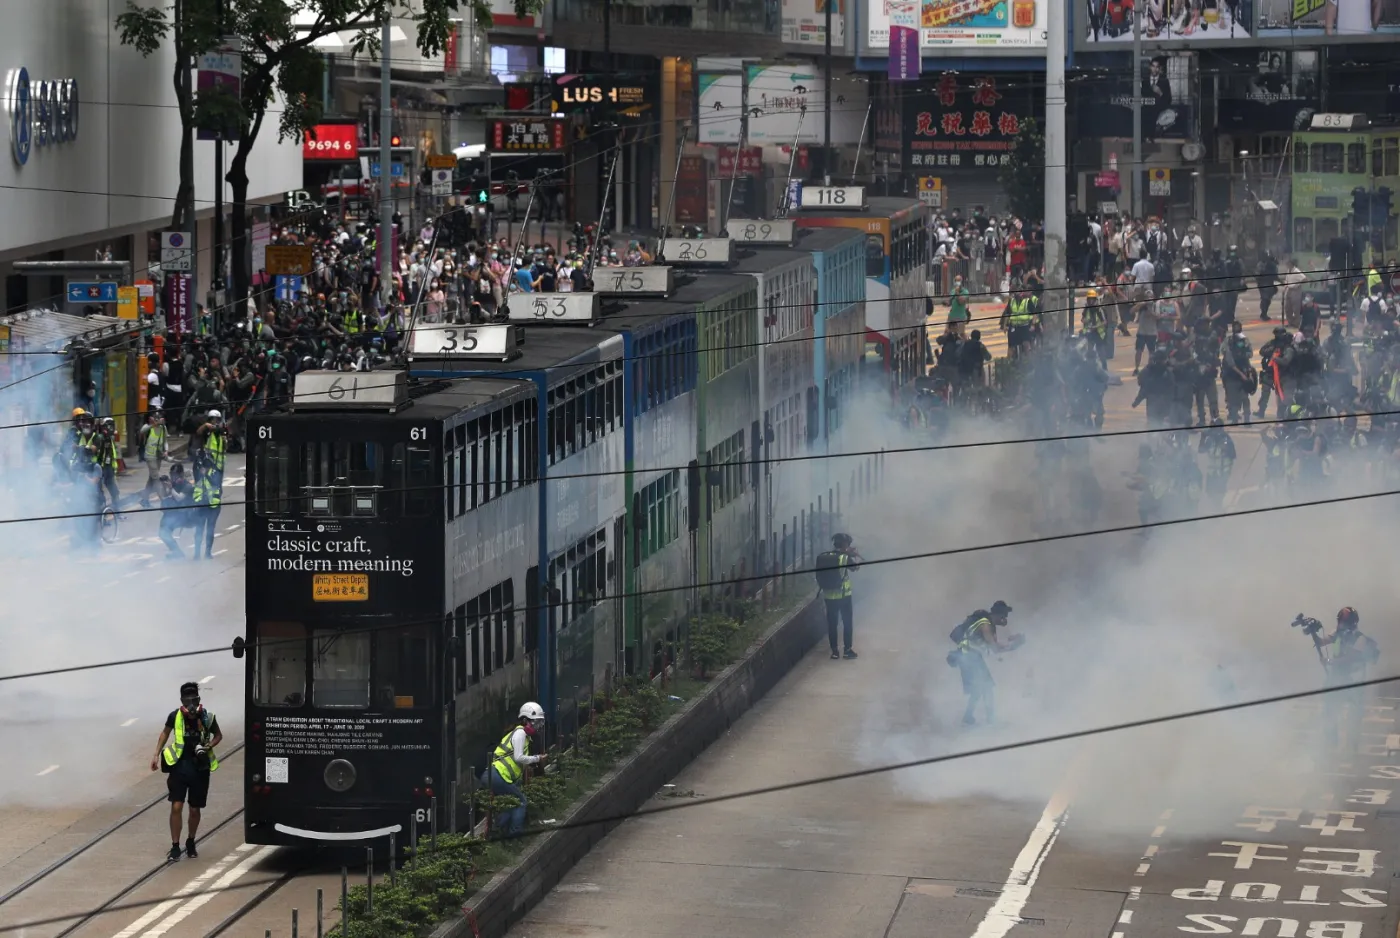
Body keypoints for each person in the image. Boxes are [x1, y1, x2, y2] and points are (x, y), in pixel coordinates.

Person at [151, 681, 222, 861]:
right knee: (176, 806)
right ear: (182, 700)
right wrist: (156, 754)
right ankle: (175, 846)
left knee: (194, 809)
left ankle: (190, 841)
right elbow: (165, 733)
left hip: (200, 768)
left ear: (198, 699)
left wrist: (208, 746)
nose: (191, 704)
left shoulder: (208, 717)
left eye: (194, 699)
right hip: (179, 767)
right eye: (187, 700)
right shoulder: (174, 716)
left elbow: (218, 735)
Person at [950, 601, 1020, 726]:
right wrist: (1013, 646)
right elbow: (995, 648)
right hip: (970, 657)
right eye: (1004, 615)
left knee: (977, 689)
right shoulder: (985, 624)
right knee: (987, 687)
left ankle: (968, 717)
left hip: (969, 657)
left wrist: (1011, 643)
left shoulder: (986, 623)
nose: (1005, 618)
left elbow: (994, 646)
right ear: (998, 614)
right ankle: (991, 720)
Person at [487, 702, 548, 838]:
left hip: (497, 775)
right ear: (525, 720)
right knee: (520, 801)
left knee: (510, 804)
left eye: (539, 723)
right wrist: (537, 758)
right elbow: (519, 757)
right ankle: (514, 835)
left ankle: (498, 834)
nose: (537, 727)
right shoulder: (520, 734)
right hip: (498, 775)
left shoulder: (525, 737)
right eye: (535, 723)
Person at [816, 533, 861, 660]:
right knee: (847, 622)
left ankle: (835, 652)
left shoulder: (825, 556)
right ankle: (847, 650)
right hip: (844, 596)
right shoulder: (844, 558)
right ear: (845, 544)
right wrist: (855, 555)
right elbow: (856, 568)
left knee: (832, 624)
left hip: (829, 597)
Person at [138, 410, 170, 509]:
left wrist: (166, 450)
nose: (157, 420)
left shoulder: (163, 428)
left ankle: (144, 499)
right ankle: (164, 501)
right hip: (149, 456)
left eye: (159, 418)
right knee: (156, 478)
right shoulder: (147, 427)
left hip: (158, 456)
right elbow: (142, 431)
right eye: (155, 418)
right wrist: (153, 424)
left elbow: (165, 441)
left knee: (152, 478)